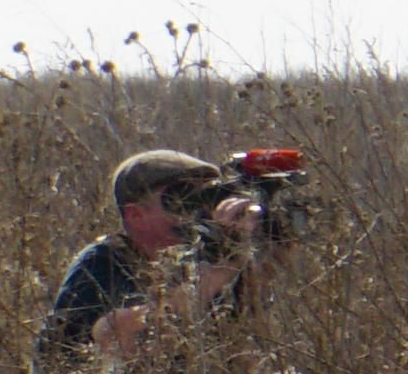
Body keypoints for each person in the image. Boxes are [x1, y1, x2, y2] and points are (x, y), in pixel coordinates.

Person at [40, 147, 281, 362]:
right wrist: (220, 268)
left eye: (207, 196)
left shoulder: (197, 257)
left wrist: (270, 245)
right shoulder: (104, 262)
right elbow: (113, 336)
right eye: (181, 200)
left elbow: (253, 337)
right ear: (136, 215)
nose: (198, 212)